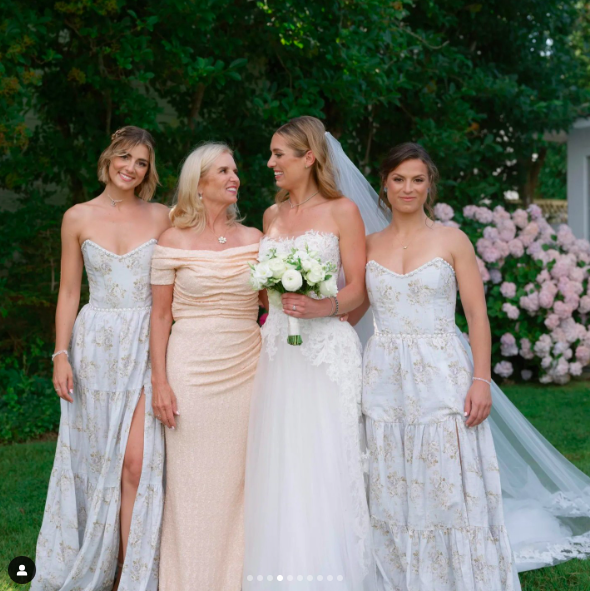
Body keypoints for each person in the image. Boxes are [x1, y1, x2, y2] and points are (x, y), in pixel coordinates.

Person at [349, 143, 520, 590]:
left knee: (445, 482)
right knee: (391, 483)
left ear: (430, 185)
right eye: (399, 179)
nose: (409, 188)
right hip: (384, 378)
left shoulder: (452, 239)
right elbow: (351, 312)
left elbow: (478, 317)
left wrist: (481, 379)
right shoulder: (367, 245)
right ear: (384, 184)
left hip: (443, 372)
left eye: (418, 180)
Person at [32, 126, 171, 591]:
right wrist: (60, 353)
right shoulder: (77, 217)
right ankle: (103, 566)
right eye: (125, 157)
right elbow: (70, 292)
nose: (130, 168)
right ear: (109, 156)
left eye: (141, 163)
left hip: (144, 343)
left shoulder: (162, 217)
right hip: (94, 346)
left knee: (136, 461)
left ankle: (133, 573)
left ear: (149, 171)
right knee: (95, 461)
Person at [242, 116, 377, 590]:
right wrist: (268, 294)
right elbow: (264, 294)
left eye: (279, 154)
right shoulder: (271, 217)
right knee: (282, 457)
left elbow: (362, 287)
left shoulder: (342, 211)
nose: (271, 162)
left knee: (327, 456)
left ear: (309, 157)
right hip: (279, 350)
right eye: (272, 153)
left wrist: (326, 306)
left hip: (328, 353)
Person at [150, 142, 263, 591]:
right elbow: (160, 316)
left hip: (247, 366)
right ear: (199, 183)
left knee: (240, 480)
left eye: (235, 170)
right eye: (223, 171)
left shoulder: (256, 240)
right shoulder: (172, 241)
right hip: (190, 367)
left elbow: (269, 305)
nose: (234, 178)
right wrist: (160, 381)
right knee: (193, 483)